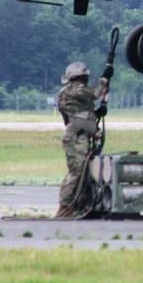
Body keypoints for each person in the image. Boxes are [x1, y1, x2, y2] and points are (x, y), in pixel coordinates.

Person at [54, 60, 110, 218]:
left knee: (86, 174)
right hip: (76, 138)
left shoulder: (76, 94)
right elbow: (95, 93)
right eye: (83, 78)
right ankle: (64, 208)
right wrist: (105, 77)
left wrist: (98, 113)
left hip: (83, 137)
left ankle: (79, 207)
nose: (85, 81)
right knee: (77, 173)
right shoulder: (73, 91)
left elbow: (83, 113)